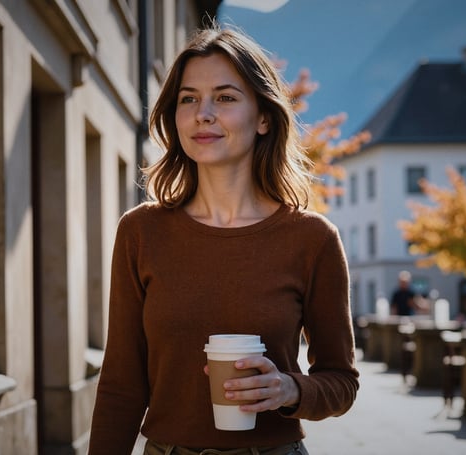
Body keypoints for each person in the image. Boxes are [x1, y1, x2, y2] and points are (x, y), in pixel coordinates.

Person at [87, 23, 359, 455]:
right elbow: (121, 383)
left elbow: (341, 382)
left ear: (265, 117)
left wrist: (289, 389)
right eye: (188, 99)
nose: (203, 114)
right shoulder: (141, 232)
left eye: (226, 98)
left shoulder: (312, 239)